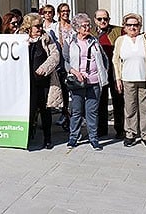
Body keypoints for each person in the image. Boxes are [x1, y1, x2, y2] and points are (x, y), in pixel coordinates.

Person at [112, 12, 146, 148]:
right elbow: (116, 60)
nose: (132, 27)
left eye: (135, 25)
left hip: (145, 78)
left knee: (145, 109)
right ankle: (130, 134)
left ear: (140, 26)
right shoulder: (120, 40)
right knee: (130, 108)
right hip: (127, 78)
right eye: (129, 25)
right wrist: (118, 78)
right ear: (124, 26)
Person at [64, 12, 109, 150]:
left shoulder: (94, 41)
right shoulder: (70, 42)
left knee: (92, 111)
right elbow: (65, 61)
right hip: (77, 81)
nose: (87, 28)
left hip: (94, 81)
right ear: (77, 28)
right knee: (76, 111)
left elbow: (104, 58)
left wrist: (103, 73)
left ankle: (93, 138)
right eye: (84, 26)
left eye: (88, 25)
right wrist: (74, 72)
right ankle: (73, 137)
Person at [23, 13, 61, 149]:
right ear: (29, 27)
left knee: (45, 110)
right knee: (30, 110)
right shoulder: (21, 39)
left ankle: (48, 138)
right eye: (36, 26)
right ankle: (27, 136)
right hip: (27, 83)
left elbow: (55, 55)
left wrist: (44, 68)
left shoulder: (46, 38)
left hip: (43, 81)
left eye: (40, 25)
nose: (39, 28)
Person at [95, 8, 125, 139]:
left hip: (115, 71)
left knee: (118, 100)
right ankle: (101, 129)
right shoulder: (91, 32)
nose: (103, 21)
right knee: (100, 101)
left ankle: (120, 129)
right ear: (95, 20)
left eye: (105, 19)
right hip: (99, 71)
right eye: (100, 19)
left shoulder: (118, 31)